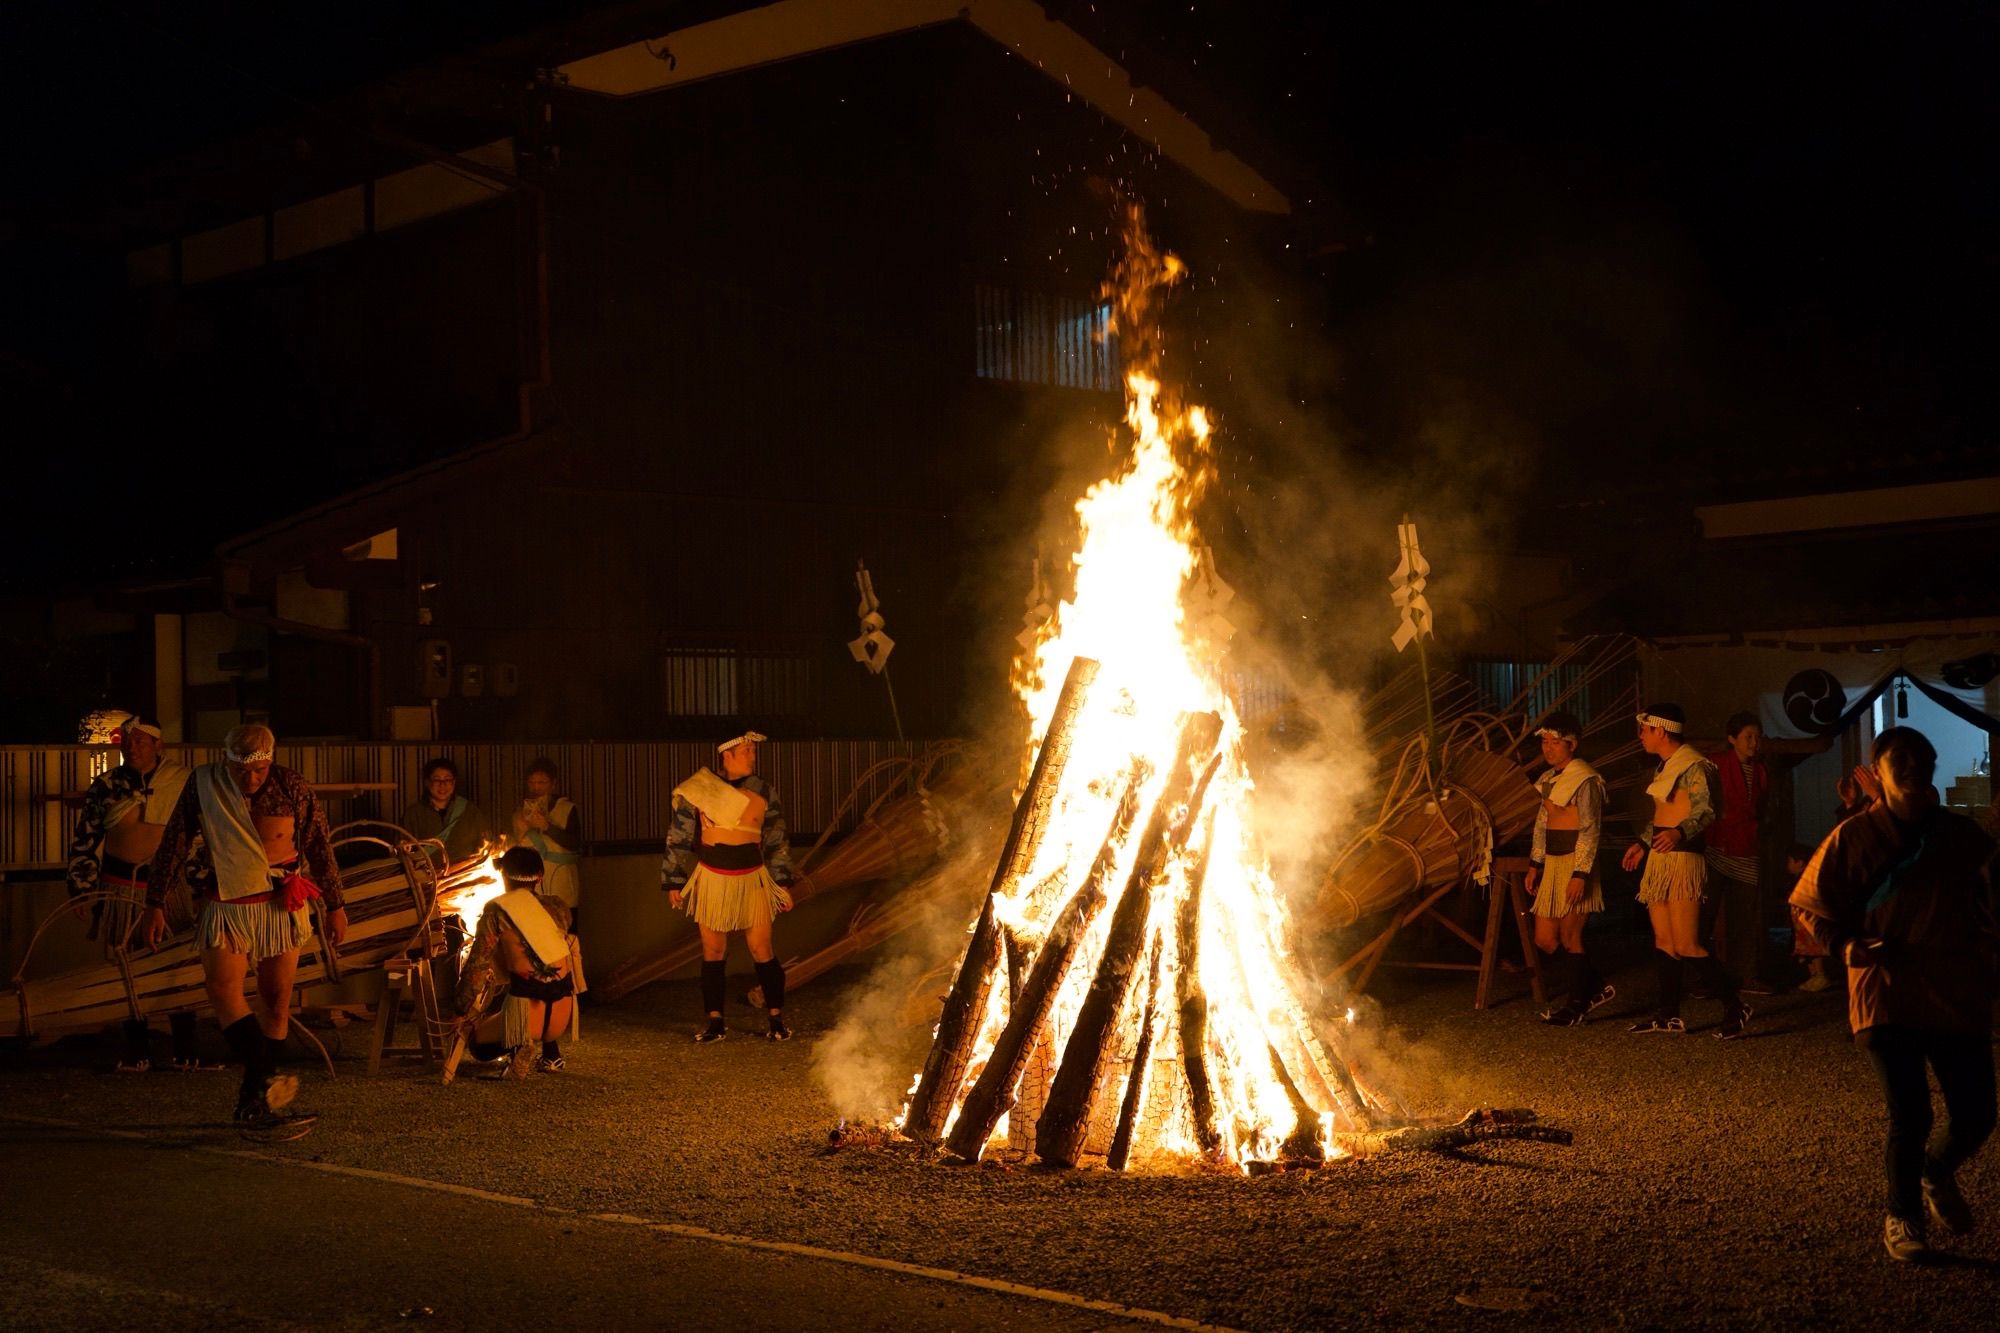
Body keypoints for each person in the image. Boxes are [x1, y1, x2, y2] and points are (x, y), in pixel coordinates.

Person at [1789, 726, 1998, 1263]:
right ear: (1877, 773)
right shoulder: (1854, 837)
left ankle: (1935, 1169)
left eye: (1917, 757)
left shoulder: (1963, 837)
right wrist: (1844, 946)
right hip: (1885, 986)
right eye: (1895, 758)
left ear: (1929, 767)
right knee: (1911, 1113)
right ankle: (1902, 1214)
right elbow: (1810, 902)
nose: (1908, 764)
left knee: (1977, 1113)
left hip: (1953, 985)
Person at [142, 724, 347, 1128]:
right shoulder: (205, 784)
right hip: (226, 901)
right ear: (226, 762)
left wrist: (335, 905)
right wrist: (155, 902)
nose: (250, 780)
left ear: (270, 761)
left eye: (258, 770)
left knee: (276, 998)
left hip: (279, 902)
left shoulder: (292, 786)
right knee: (222, 990)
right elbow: (175, 842)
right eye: (240, 771)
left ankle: (254, 1102)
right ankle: (263, 1076)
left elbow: (319, 844)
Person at [65, 714, 213, 1071]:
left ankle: (185, 1047)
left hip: (169, 889)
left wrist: (204, 882)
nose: (133, 746)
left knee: (176, 961)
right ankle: (137, 1048)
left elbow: (205, 834)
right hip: (119, 886)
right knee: (124, 964)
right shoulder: (106, 784)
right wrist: (81, 887)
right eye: (128, 740)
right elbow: (87, 837)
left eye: (142, 740)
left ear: (158, 745)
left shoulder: (183, 782)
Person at [1620, 704, 1751, 1038]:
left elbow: (1707, 810)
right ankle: (1668, 1015)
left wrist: (1679, 833)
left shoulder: (1694, 765)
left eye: (1645, 730)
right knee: (1665, 940)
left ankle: (1736, 1006)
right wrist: (1643, 843)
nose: (1641, 737)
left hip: (1683, 859)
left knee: (1688, 943)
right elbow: (1664, 814)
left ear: (1661, 731)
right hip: (1661, 858)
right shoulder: (1664, 767)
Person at [661, 730, 799, 1042]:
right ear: (727, 755)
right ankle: (715, 1022)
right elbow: (679, 836)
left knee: (762, 948)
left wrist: (782, 883)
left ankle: (776, 1019)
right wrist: (674, 879)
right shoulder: (700, 790)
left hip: (753, 876)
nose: (753, 756)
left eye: (752, 750)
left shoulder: (763, 790)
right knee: (713, 950)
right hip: (712, 876)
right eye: (747, 750)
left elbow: (777, 839)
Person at [454, 846, 579, 1077]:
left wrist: (460, 1007)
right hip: (563, 1011)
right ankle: (552, 1055)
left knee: (477, 1045)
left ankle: (519, 1045)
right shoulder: (558, 908)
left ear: (503, 876)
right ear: (540, 877)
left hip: (525, 1013)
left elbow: (477, 966)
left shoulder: (496, 910)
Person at [1524, 712, 1614, 1025]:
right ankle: (1596, 986)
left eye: (1555, 742)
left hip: (1576, 862)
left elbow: (1590, 827)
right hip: (1552, 863)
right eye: (1544, 742)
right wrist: (1535, 863)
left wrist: (1581, 874)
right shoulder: (1548, 780)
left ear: (1572, 745)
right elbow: (1542, 823)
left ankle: (1575, 1006)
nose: (1548, 748)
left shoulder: (1585, 779)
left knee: (1570, 935)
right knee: (1546, 940)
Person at [1703, 711, 1778, 995]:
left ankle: (1745, 976)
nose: (1754, 743)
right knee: (1705, 916)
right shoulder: (1716, 764)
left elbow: (1762, 807)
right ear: (1732, 738)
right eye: (1748, 737)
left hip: (1747, 847)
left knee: (1745, 918)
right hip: (1718, 846)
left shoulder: (1760, 771)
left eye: (1757, 737)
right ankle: (1706, 976)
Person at [511, 758, 583, 926]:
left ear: (553, 784)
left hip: (561, 882)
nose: (536, 787)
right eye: (532, 782)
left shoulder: (567, 809)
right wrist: (519, 834)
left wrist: (547, 826)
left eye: (542, 782)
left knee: (565, 933)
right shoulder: (519, 814)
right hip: (529, 886)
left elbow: (574, 843)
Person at [400, 757, 491, 865]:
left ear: (454, 782)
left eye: (447, 779)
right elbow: (403, 849)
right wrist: (404, 847)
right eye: (436, 780)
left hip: (465, 875)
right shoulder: (413, 814)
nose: (442, 785)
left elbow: (485, 843)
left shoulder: (470, 811)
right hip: (426, 877)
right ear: (427, 783)